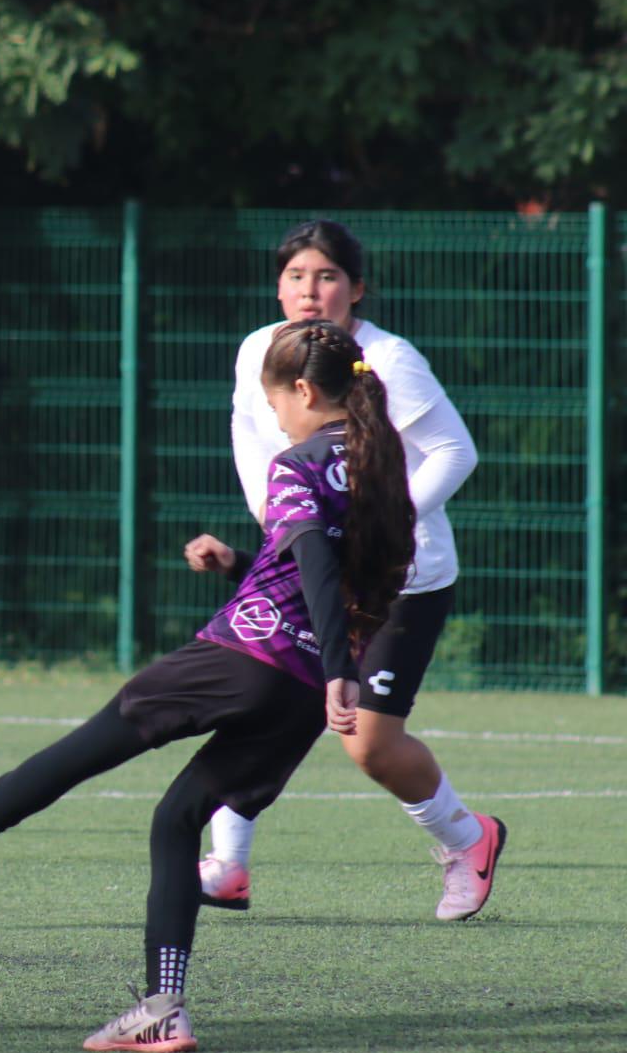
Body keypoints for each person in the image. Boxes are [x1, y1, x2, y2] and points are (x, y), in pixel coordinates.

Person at [0, 320, 500, 1053]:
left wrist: (337, 667)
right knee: (177, 816)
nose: (274, 417)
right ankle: (163, 1006)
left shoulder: (298, 462)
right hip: (296, 696)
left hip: (243, 655)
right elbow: (330, 576)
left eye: (273, 400)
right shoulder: (382, 473)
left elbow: (315, 564)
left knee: (81, 751)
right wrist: (252, 580)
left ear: (303, 390)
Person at [200, 219, 503, 922]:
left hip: (401, 575)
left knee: (368, 742)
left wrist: (375, 530)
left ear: (356, 289)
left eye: (328, 276)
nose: (311, 290)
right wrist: (287, 534)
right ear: (278, 285)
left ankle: (469, 840)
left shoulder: (391, 362)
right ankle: (229, 864)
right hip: (305, 566)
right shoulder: (257, 352)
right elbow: (256, 451)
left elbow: (456, 454)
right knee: (253, 693)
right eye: (298, 276)